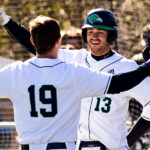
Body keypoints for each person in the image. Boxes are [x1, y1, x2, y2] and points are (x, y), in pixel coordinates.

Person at [1, 8, 150, 150]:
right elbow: (39, 45)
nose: (94, 36)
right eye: (90, 32)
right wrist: (8, 22)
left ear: (111, 35)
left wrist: (129, 140)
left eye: (100, 32)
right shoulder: (75, 60)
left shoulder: (127, 67)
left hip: (112, 147)